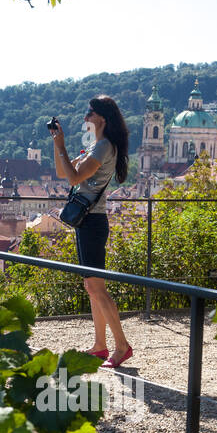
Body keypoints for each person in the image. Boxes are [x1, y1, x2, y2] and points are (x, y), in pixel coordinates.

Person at [51, 95, 132, 368]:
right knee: (91, 286)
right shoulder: (97, 146)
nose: (86, 117)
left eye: (90, 112)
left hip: (93, 223)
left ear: (102, 118)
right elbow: (64, 172)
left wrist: (62, 145)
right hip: (87, 221)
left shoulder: (104, 147)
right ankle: (100, 345)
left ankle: (122, 346)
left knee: (97, 287)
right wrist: (56, 143)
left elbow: (74, 178)